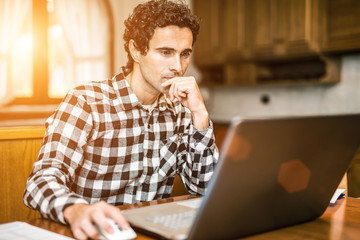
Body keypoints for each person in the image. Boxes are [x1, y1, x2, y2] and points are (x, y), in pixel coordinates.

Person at [23, 0, 219, 239]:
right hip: (92, 234)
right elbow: (40, 181)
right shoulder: (86, 101)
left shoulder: (180, 110)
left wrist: (201, 116)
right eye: (165, 52)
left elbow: (205, 189)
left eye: (185, 54)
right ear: (136, 50)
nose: (178, 67)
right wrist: (75, 210)